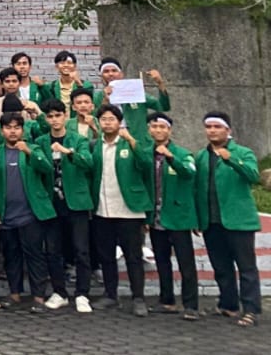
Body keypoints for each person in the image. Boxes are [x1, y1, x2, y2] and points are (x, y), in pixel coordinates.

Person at [0, 113, 55, 313]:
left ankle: (38, 296)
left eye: (16, 127)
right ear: (1, 130)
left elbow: (47, 169)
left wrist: (30, 153)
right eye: (8, 127)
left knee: (35, 255)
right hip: (6, 215)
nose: (12, 131)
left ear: (22, 130)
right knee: (11, 256)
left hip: (30, 214)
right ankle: (14, 294)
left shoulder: (34, 148)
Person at [196, 111, 261, 327]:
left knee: (246, 267)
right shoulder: (202, 156)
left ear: (228, 130)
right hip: (212, 221)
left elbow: (253, 176)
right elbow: (197, 189)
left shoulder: (243, 152)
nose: (212, 131)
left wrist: (231, 159)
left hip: (238, 220)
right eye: (209, 127)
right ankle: (228, 304)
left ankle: (250, 309)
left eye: (217, 127)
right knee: (221, 267)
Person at [90, 103, 151, 315]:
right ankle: (110, 295)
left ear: (119, 122)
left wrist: (133, 141)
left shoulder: (129, 144)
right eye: (103, 119)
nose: (107, 123)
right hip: (102, 210)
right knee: (106, 256)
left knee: (132, 256)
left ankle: (138, 298)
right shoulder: (95, 145)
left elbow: (146, 165)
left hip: (128, 210)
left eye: (111, 119)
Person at [37, 99, 94, 311]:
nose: (54, 120)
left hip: (76, 203)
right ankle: (60, 292)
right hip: (52, 204)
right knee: (52, 250)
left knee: (81, 250)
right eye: (50, 116)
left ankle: (82, 293)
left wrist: (67, 152)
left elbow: (88, 163)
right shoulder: (42, 141)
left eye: (58, 115)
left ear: (65, 116)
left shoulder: (77, 139)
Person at [145, 113, 199, 319]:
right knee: (162, 260)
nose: (158, 130)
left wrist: (170, 157)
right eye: (154, 126)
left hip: (178, 216)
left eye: (162, 127)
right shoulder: (147, 153)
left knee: (186, 262)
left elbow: (189, 173)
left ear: (170, 130)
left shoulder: (182, 153)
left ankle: (191, 305)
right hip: (156, 216)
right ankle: (166, 300)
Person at [94, 59, 170, 138]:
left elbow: (163, 106)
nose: (110, 74)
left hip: (138, 140)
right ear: (101, 77)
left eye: (114, 70)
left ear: (121, 74)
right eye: (106, 71)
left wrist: (160, 83)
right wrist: (105, 100)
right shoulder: (97, 96)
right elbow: (94, 119)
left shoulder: (135, 92)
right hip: (111, 140)